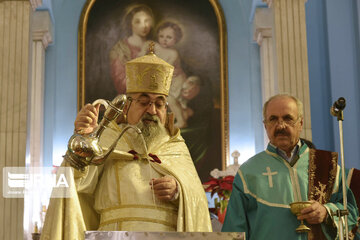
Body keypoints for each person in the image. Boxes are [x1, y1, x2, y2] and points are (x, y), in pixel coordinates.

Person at [40, 50, 212, 240]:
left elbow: (198, 200)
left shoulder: (175, 147)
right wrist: (83, 144)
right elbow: (74, 187)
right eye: (144, 102)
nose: (152, 110)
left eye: (159, 104)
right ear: (127, 106)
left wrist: (179, 191)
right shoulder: (105, 139)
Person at [222, 94, 359, 239]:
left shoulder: (326, 164)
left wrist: (326, 212)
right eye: (273, 119)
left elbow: (350, 211)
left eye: (288, 118)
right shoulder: (248, 172)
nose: (280, 126)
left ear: (300, 123)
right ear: (265, 125)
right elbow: (234, 231)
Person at [109, 4, 154, 94]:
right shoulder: (120, 49)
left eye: (146, 21)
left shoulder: (156, 46)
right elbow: (120, 82)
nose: (144, 26)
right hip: (130, 101)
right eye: (138, 22)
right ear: (130, 24)